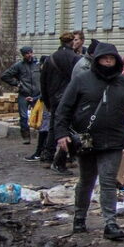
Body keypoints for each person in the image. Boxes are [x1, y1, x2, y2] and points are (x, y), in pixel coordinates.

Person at [55, 41, 124, 241]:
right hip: (87, 141)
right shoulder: (81, 80)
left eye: (111, 59)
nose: (108, 62)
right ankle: (79, 218)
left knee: (107, 182)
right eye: (104, 59)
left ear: (116, 61)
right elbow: (64, 108)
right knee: (86, 181)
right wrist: (61, 133)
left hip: (113, 140)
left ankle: (110, 223)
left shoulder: (121, 82)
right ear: (97, 60)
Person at [38, 31, 84, 170]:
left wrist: (47, 101)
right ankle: (69, 157)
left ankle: (48, 156)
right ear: (72, 42)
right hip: (70, 98)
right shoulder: (76, 59)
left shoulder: (50, 58)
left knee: (53, 126)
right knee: (70, 127)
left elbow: (43, 81)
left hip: (53, 98)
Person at [0, 46, 40, 144]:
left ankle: (41, 137)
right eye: (27, 53)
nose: (29, 55)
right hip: (24, 94)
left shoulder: (38, 65)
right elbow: (5, 76)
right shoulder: (19, 66)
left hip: (37, 94)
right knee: (24, 116)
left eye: (30, 52)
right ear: (23, 55)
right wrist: (17, 83)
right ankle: (26, 137)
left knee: (40, 116)